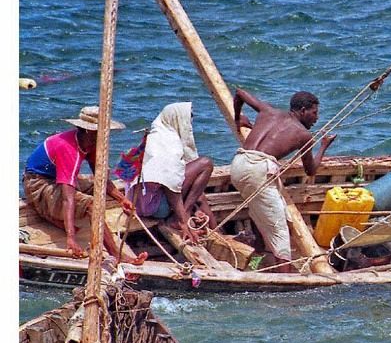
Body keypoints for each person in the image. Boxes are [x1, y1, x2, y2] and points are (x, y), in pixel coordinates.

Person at [23, 106, 147, 264]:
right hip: (38, 184)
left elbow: (100, 178)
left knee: (94, 183)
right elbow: (68, 198)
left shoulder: (90, 144)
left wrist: (121, 199)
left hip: (54, 177)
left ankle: (60, 218)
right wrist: (71, 238)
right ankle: (116, 254)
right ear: (89, 131)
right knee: (91, 205)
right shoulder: (69, 150)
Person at [230, 88, 336, 272]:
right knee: (280, 232)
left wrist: (237, 118)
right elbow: (311, 170)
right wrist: (323, 147)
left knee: (258, 214)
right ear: (303, 111)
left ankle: (256, 260)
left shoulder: (268, 111)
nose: (316, 118)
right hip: (258, 172)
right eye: (314, 113)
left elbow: (239, 93)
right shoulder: (304, 135)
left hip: (238, 164)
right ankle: (284, 278)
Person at [127, 102, 217, 244]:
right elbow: (170, 185)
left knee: (199, 196)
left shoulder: (155, 136)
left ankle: (215, 232)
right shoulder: (168, 143)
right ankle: (181, 218)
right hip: (156, 207)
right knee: (206, 164)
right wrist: (183, 221)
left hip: (138, 204)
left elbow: (125, 172)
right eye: (188, 119)